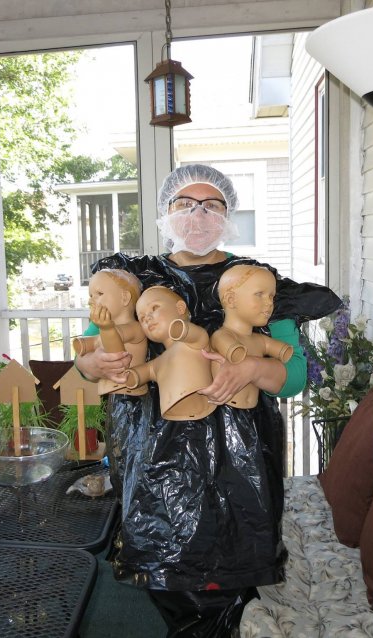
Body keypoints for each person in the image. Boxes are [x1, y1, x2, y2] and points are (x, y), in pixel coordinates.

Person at [75, 164, 341, 637]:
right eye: (185, 204)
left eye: (212, 205)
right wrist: (93, 365)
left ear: (229, 214)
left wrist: (253, 368)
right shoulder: (133, 281)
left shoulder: (257, 283)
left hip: (242, 466)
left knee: (228, 579)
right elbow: (88, 355)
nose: (198, 215)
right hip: (153, 460)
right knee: (169, 579)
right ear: (165, 213)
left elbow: (295, 374)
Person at [124, 286, 215, 420]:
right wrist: (132, 376)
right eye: (142, 318)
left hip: (206, 399)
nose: (147, 318)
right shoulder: (159, 362)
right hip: (174, 411)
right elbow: (147, 371)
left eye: (154, 308)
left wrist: (183, 330)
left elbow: (200, 335)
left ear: (180, 308)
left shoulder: (193, 343)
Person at [211, 264, 294, 409]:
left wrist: (283, 351)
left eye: (271, 296)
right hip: (226, 411)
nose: (269, 303)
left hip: (252, 414)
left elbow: (284, 352)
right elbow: (234, 354)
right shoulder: (222, 336)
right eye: (259, 294)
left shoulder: (259, 340)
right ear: (231, 300)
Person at [72, 269, 148, 396]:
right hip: (112, 395)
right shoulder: (98, 326)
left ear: (125, 297)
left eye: (99, 294)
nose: (90, 301)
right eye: (91, 296)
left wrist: (106, 328)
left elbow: (117, 351)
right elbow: (81, 354)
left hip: (131, 399)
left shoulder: (135, 328)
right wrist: (86, 352)